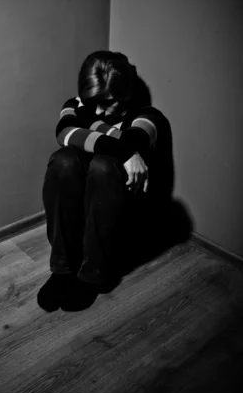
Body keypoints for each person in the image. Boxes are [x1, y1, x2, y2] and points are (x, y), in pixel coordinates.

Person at [37, 50, 168, 312]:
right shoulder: (74, 105)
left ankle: (93, 274)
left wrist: (90, 126)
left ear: (126, 94)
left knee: (104, 165)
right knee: (63, 159)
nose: (97, 109)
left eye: (107, 102)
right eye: (92, 100)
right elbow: (64, 132)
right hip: (79, 204)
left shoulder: (148, 116)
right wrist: (126, 152)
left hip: (119, 211)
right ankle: (63, 269)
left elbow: (133, 139)